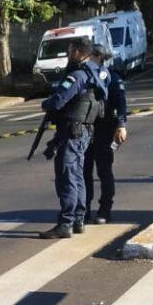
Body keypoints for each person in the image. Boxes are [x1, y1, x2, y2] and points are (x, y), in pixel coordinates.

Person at [37, 37, 106, 239]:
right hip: (84, 132)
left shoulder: (76, 76)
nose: (68, 55)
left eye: (69, 51)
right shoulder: (93, 72)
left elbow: (58, 101)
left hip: (72, 132)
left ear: (77, 52)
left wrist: (46, 104)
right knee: (77, 175)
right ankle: (78, 219)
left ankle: (66, 222)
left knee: (67, 176)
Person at [83, 46, 128, 225]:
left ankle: (105, 209)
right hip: (87, 130)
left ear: (100, 57)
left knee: (104, 171)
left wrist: (121, 125)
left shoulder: (112, 78)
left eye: (92, 56)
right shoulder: (86, 75)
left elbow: (121, 103)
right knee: (84, 171)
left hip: (105, 130)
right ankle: (83, 208)